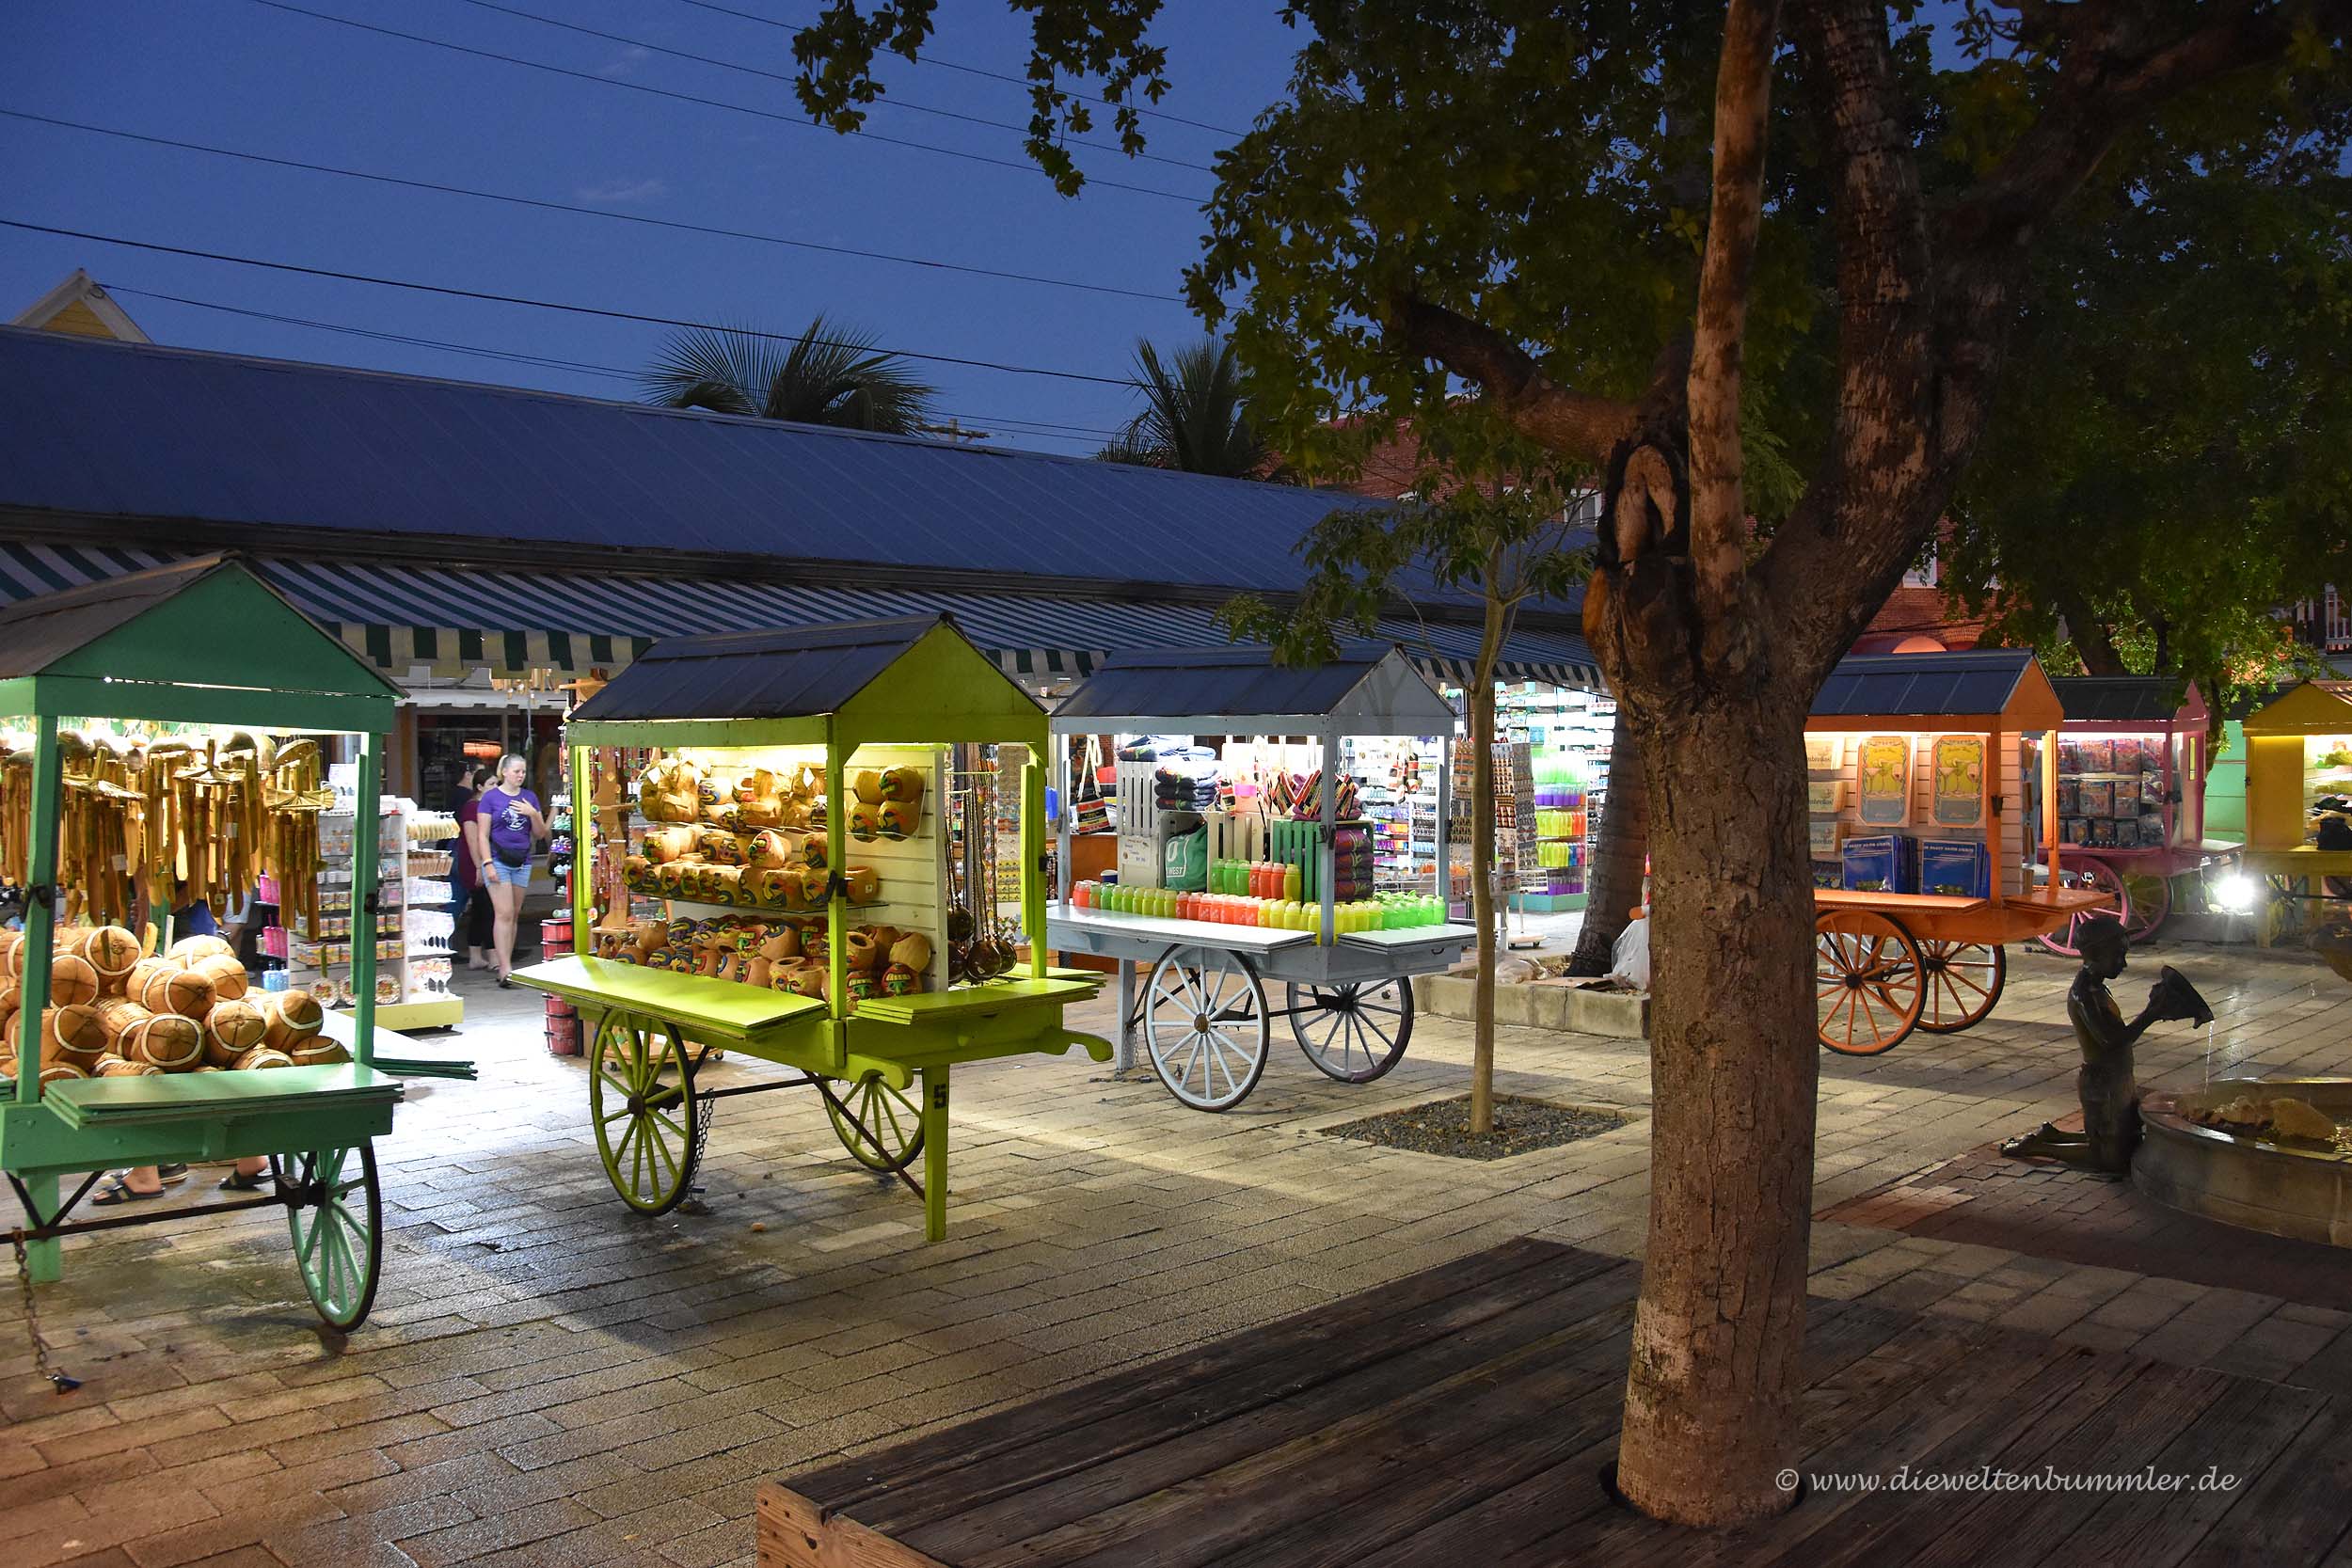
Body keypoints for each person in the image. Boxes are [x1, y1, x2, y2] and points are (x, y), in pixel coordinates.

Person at [473, 752, 548, 987]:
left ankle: (507, 963)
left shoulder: (529, 797)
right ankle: (504, 967)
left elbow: (540, 833)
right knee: (503, 913)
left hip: (523, 860)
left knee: (514, 914)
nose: (520, 775)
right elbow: (482, 835)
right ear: (504, 772)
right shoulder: (490, 798)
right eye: (516, 771)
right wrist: (486, 863)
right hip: (497, 859)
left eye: (523, 771)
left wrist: (533, 814)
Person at [450, 763, 494, 970]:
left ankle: (476, 955)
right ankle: (489, 955)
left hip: (483, 861)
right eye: (492, 784)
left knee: (480, 909)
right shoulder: (471, 807)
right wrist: (479, 866)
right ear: (480, 787)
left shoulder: (486, 807)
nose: (496, 787)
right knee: (484, 908)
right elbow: (472, 839)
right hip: (475, 862)